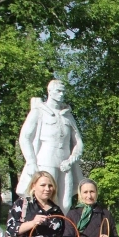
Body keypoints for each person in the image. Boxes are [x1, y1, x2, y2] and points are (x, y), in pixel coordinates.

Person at [16, 79, 84, 213]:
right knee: (45, 198)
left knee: (65, 202)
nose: (62, 94)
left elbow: (78, 142)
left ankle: (62, 229)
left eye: (63, 91)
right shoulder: (39, 111)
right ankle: (45, 229)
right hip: (46, 160)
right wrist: (31, 162)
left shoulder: (67, 115)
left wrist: (71, 159)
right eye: (58, 91)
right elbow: (25, 137)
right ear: (50, 92)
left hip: (65, 163)